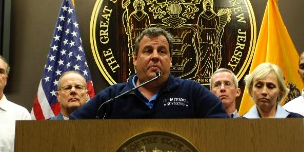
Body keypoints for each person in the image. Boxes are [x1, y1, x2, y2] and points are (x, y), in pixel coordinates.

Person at [70, 27, 228, 119]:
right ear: (135, 59)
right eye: (148, 51)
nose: (155, 56)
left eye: (162, 51)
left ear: (170, 59)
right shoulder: (112, 97)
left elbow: (222, 129)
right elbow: (75, 127)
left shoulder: (192, 92)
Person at [242, 62, 304, 152]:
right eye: (259, 85)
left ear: (280, 92)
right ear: (250, 90)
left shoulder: (296, 122)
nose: (264, 91)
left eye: (271, 86)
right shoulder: (239, 125)